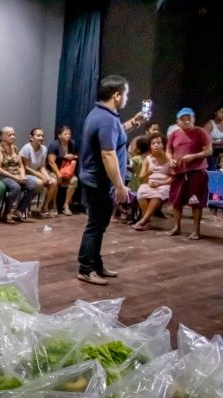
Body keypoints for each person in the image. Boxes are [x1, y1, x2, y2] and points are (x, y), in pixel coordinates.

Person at [76, 74, 143, 285]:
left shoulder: (102, 115)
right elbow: (108, 154)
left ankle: (96, 264)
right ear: (116, 95)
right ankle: (86, 269)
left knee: (99, 225)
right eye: (126, 94)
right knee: (95, 226)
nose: (126, 98)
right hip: (99, 182)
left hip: (95, 180)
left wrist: (132, 123)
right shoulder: (106, 119)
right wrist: (119, 186)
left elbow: (115, 134)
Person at [166, 107, 213, 240]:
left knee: (196, 201)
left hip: (196, 171)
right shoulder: (174, 134)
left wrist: (194, 156)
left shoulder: (201, 132)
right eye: (183, 119)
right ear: (177, 121)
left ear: (193, 119)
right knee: (176, 200)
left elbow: (209, 151)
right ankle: (176, 226)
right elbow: (168, 150)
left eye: (189, 118)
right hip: (178, 171)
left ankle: (196, 230)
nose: (186, 121)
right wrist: (170, 160)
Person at [0, 126, 39, 223]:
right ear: (3, 137)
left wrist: (22, 176)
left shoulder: (15, 149)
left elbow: (21, 165)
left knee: (34, 184)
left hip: (17, 175)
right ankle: (7, 212)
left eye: (14, 134)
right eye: (10, 135)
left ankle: (19, 210)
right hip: (3, 176)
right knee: (16, 187)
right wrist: (15, 178)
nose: (13, 137)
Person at [133, 132, 172, 231]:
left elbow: (173, 177)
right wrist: (148, 173)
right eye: (153, 143)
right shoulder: (148, 159)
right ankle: (148, 221)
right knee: (141, 192)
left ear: (163, 144)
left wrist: (161, 183)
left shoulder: (169, 158)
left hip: (165, 183)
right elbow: (141, 178)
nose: (156, 145)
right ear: (150, 146)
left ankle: (143, 220)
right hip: (150, 182)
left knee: (159, 193)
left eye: (158, 143)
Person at [46, 126, 79, 215]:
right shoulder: (54, 145)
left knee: (74, 180)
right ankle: (53, 206)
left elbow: (77, 155)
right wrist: (58, 174)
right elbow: (51, 162)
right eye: (65, 134)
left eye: (69, 134)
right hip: (54, 170)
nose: (68, 136)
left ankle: (66, 205)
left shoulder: (72, 144)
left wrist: (73, 157)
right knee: (55, 180)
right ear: (59, 135)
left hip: (67, 170)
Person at [19, 128, 51, 217]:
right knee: (40, 183)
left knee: (53, 182)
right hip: (26, 173)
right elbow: (26, 167)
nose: (41, 138)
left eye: (42, 136)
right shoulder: (27, 148)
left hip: (36, 172)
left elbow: (41, 166)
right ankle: (22, 206)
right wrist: (40, 176)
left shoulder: (44, 149)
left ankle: (43, 207)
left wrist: (47, 176)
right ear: (31, 137)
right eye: (38, 135)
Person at [203, 103, 223, 170]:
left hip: (221, 152)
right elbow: (203, 140)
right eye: (221, 112)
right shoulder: (210, 124)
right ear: (215, 113)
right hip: (212, 152)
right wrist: (217, 142)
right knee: (213, 166)